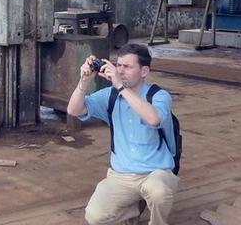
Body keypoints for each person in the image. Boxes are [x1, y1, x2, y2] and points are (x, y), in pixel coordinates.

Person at [66, 44, 179, 225]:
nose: (120, 71)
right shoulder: (111, 95)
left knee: (158, 192)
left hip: (155, 172)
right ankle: (132, 210)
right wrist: (84, 81)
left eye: (127, 67)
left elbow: (153, 119)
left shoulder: (159, 95)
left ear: (144, 71)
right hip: (121, 175)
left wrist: (119, 85)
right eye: (118, 65)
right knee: (94, 216)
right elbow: (73, 110)